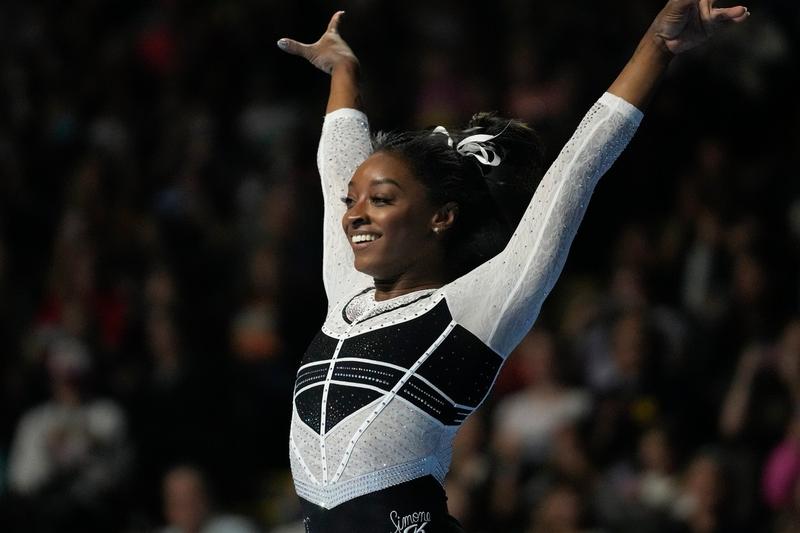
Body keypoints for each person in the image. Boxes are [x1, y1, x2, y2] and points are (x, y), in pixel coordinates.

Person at [277, 1, 749, 531]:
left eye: (381, 199)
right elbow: (335, 161)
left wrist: (657, 48)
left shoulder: (473, 309)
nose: (355, 214)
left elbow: (575, 172)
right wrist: (344, 70)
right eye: (353, 201)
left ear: (440, 218)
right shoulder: (348, 288)